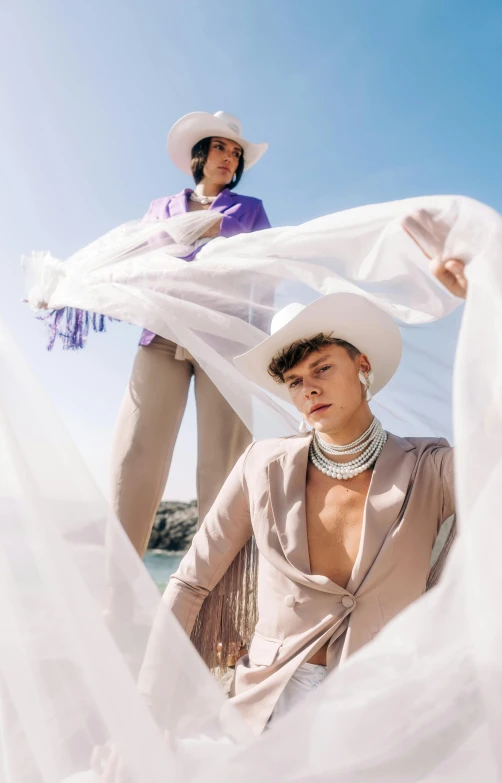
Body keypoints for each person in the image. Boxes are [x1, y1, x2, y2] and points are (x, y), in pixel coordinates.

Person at [160, 248, 467, 736]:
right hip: (269, 707)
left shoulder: (432, 468)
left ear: (362, 365)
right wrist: (142, 706)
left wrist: (496, 312)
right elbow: (191, 583)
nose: (309, 390)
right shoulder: (262, 465)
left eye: (323, 368)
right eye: (295, 381)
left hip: (390, 707)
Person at [110, 110, 270, 559]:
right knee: (136, 452)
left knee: (224, 463)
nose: (230, 158)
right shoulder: (160, 208)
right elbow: (128, 252)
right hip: (161, 332)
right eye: (221, 147)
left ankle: (216, 601)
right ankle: (119, 589)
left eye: (236, 153)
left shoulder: (250, 209)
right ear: (199, 155)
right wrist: (66, 284)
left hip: (224, 338)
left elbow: (270, 267)